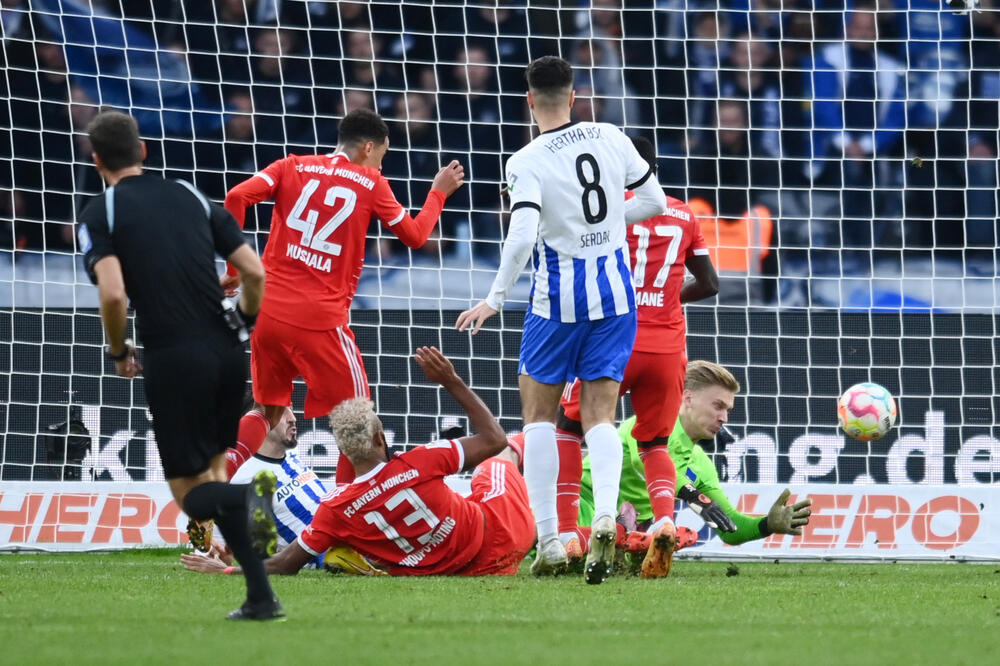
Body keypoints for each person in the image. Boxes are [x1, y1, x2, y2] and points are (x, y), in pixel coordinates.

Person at [456, 56, 668, 584]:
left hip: (557, 303)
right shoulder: (612, 135)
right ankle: (602, 520)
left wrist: (494, 298)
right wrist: (611, 225)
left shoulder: (525, 160)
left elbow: (523, 237)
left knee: (539, 420)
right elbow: (655, 200)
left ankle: (550, 539)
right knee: (600, 415)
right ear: (574, 96)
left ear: (530, 102)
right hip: (617, 298)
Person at [77, 109, 281, 621]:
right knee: (212, 471)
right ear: (143, 151)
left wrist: (120, 351)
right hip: (228, 350)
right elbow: (254, 270)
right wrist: (243, 322)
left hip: (174, 356)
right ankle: (260, 598)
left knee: (192, 497)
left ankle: (252, 499)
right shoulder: (192, 194)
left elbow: (114, 292)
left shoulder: (101, 212)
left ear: (96, 159)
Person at [223, 109, 465, 485]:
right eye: (382, 156)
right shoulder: (370, 181)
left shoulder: (292, 165)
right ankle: (344, 519)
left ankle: (213, 498)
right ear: (369, 147)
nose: (381, 165)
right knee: (358, 422)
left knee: (266, 411)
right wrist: (438, 193)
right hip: (319, 321)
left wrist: (234, 272)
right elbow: (417, 236)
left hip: (267, 314)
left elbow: (236, 196)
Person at [213, 347, 536, 578]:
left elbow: (284, 564)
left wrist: (228, 569)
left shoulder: (336, 510)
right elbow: (493, 437)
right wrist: (451, 380)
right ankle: (550, 454)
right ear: (381, 438)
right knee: (499, 456)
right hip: (500, 534)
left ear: (343, 450)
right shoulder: (421, 460)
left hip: (462, 572)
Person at [555, 136, 723, 579]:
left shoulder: (611, 211)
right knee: (653, 442)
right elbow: (710, 283)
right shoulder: (686, 214)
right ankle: (664, 520)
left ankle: (569, 531)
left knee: (570, 427)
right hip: (668, 347)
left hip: (614, 337)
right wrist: (668, 297)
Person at [575, 361, 812, 549]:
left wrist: (766, 524)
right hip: (583, 503)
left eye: (728, 410)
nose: (724, 418)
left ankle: (622, 538)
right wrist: (695, 497)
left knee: (641, 546)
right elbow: (644, 462)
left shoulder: (702, 465)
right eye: (718, 406)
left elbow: (729, 528)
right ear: (687, 398)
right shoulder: (646, 425)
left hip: (630, 528)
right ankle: (611, 537)